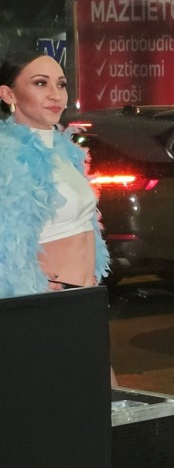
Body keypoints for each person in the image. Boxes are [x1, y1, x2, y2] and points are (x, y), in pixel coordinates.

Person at [0, 49, 109, 298]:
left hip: (85, 295)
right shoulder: (6, 156)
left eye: (61, 84)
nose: (55, 94)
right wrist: (26, 288)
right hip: (41, 302)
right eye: (40, 83)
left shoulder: (66, 152)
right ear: (8, 94)